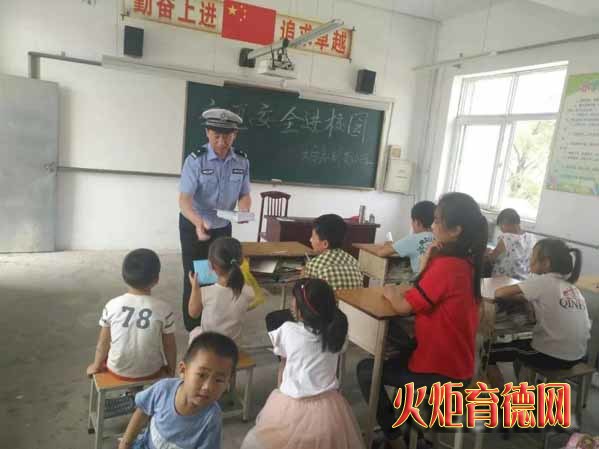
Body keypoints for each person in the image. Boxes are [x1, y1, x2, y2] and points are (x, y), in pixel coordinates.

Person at [356, 192, 488, 448]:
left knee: (367, 369)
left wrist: (390, 292)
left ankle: (395, 439)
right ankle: (412, 433)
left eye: (438, 221)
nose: (433, 226)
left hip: (439, 370)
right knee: (399, 352)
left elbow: (404, 306)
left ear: (456, 230)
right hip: (458, 365)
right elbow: (423, 293)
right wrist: (427, 261)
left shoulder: (448, 266)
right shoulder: (466, 263)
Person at [241, 278, 364, 449]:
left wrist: (280, 393)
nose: (291, 303)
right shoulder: (337, 334)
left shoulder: (287, 330)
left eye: (294, 298)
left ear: (303, 308)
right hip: (329, 406)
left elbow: (283, 366)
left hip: (292, 402)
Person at [179, 108, 252, 332]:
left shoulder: (241, 161)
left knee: (222, 275)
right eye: (216, 136)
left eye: (227, 136)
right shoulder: (195, 160)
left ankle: (217, 321)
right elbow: (184, 200)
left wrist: (244, 210)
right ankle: (194, 327)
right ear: (207, 133)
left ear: (235, 135)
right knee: (197, 275)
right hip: (196, 226)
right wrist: (197, 222)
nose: (221, 142)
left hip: (222, 227)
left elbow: (245, 194)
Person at [487, 239, 590, 388]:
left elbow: (500, 292)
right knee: (520, 347)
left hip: (551, 355)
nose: (530, 259)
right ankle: (524, 388)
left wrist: (520, 299)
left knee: (488, 353)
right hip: (578, 355)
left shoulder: (544, 281)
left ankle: (504, 399)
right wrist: (526, 300)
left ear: (546, 262)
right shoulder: (572, 288)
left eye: (533, 255)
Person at [118, 332, 238, 449]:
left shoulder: (212, 419)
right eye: (201, 375)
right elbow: (142, 411)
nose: (208, 387)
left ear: (228, 382)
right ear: (183, 370)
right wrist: (125, 444)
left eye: (219, 380)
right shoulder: (163, 389)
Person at [86, 248, 177, 379]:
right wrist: (171, 371)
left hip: (118, 370)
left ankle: (131, 391)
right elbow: (169, 345)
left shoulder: (112, 305)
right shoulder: (164, 309)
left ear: (124, 277)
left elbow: (103, 342)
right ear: (156, 279)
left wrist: (96, 366)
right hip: (152, 370)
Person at [265, 213, 363, 333]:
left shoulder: (314, 264)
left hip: (321, 322)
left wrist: (303, 275)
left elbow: (300, 296)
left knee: (272, 318)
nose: (310, 239)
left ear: (325, 244)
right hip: (346, 321)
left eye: (313, 236)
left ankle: (292, 343)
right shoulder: (354, 261)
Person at [188, 237, 254, 345]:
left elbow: (193, 313)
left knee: (195, 331)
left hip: (209, 346)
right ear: (241, 261)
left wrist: (195, 288)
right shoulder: (249, 291)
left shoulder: (205, 292)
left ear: (210, 265)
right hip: (233, 346)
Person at [373, 200, 436, 273]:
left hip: (422, 279)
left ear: (417, 222)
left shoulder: (412, 239)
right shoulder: (439, 238)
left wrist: (389, 245)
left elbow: (381, 253)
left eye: (412, 221)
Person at [488, 208, 535, 280]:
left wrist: (488, 253)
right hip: (523, 280)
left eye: (500, 226)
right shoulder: (531, 237)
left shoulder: (506, 237)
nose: (501, 230)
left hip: (503, 279)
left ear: (504, 224)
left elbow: (492, 257)